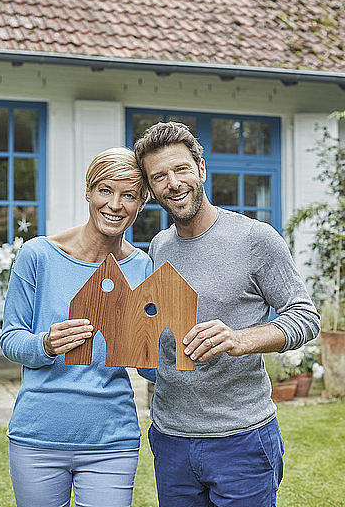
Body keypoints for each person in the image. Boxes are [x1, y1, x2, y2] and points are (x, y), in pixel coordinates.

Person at [134, 122, 320, 507]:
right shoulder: (159, 246)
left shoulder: (256, 238)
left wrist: (240, 339)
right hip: (171, 437)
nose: (173, 182)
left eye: (181, 169)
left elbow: (305, 316)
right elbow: (159, 330)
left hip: (242, 438)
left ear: (201, 168)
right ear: (151, 189)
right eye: (159, 176)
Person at [0, 147, 151, 507]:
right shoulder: (38, 256)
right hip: (38, 435)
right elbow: (10, 338)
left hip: (112, 439)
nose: (115, 205)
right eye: (105, 190)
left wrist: (175, 351)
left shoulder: (141, 267)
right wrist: (46, 345)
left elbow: (147, 363)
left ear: (141, 204)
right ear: (88, 191)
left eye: (128, 195)